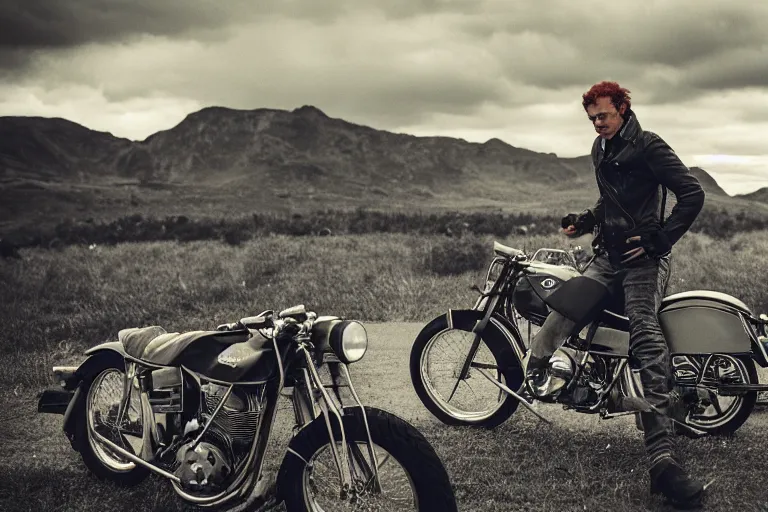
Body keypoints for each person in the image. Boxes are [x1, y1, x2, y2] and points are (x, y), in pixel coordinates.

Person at [524, 81, 706, 508]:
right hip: (607, 258)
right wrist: (585, 220)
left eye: (603, 115)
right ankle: (552, 382)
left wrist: (661, 240)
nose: (597, 124)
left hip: (644, 261)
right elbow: (612, 202)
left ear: (623, 108)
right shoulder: (600, 149)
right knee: (559, 317)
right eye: (591, 118)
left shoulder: (648, 145)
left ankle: (663, 460)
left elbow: (691, 193)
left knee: (644, 334)